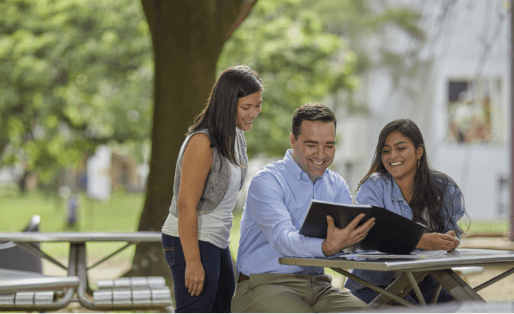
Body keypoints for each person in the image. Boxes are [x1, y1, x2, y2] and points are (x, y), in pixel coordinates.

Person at [232, 103, 374, 313]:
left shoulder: (336, 185)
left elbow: (347, 242)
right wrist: (325, 247)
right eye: (311, 144)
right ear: (293, 140)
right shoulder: (267, 181)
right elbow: (283, 238)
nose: (321, 154)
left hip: (319, 286)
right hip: (263, 285)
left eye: (329, 145)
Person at [161, 65, 263, 313]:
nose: (253, 113)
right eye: (246, 107)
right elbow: (186, 204)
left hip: (217, 240)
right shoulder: (202, 142)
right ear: (228, 104)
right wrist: (193, 262)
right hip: (191, 240)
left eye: (258, 105)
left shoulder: (236, 137)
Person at [344, 118, 467, 304]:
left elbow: (451, 233)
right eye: (386, 150)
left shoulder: (444, 187)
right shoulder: (374, 186)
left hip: (428, 281)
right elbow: (369, 234)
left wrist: (449, 239)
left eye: (400, 148)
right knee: (409, 307)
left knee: (462, 300)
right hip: (375, 284)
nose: (392, 155)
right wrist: (420, 240)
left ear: (419, 151)